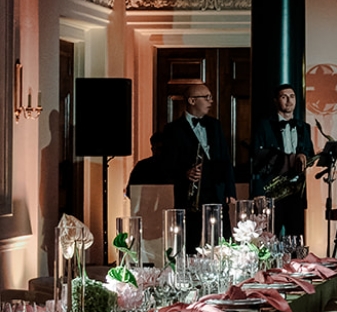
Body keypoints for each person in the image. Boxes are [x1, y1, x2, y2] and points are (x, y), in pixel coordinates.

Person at [160, 81, 236, 249]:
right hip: (190, 197)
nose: (211, 101)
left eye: (211, 97)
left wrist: (230, 190)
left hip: (216, 192)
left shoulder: (215, 125)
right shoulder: (173, 129)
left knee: (222, 243)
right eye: (206, 97)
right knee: (190, 243)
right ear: (192, 100)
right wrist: (185, 173)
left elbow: (225, 159)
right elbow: (166, 164)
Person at [252, 84, 315, 239]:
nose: (289, 101)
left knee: (296, 237)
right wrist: (258, 192)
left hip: (296, 191)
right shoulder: (264, 125)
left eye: (292, 96)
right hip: (272, 192)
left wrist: (303, 155)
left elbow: (310, 153)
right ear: (276, 101)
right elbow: (256, 159)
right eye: (284, 97)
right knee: (270, 236)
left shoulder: (304, 127)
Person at [125, 131, 171, 196]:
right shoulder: (142, 167)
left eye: (162, 149)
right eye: (159, 148)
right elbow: (130, 191)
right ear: (152, 149)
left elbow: (130, 192)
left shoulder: (142, 166)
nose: (160, 152)